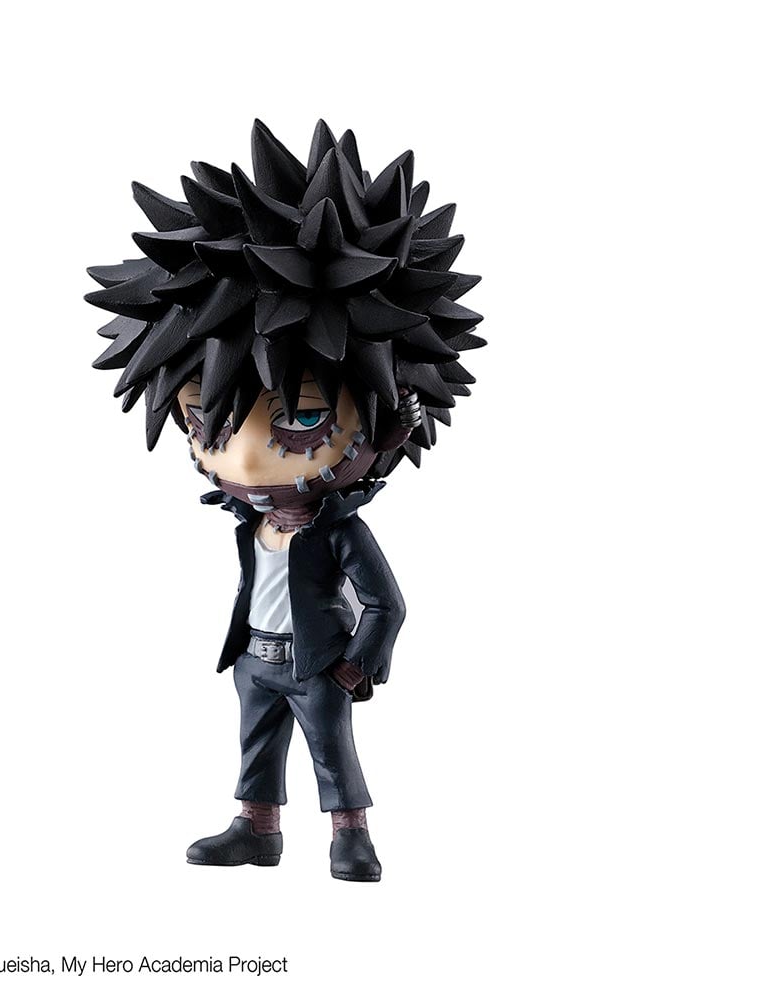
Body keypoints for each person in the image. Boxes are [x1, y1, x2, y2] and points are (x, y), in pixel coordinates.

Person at [85, 119, 485, 881]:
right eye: (204, 419)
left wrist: (356, 667)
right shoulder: (248, 517)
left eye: (302, 419)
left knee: (332, 753)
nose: (240, 457)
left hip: (316, 662)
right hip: (256, 659)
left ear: (386, 421)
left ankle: (350, 835)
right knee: (256, 747)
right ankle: (256, 828)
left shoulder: (338, 528)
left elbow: (387, 604)